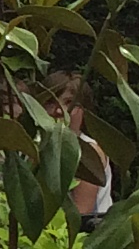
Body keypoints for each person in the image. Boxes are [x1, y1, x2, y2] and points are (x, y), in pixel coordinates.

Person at [40, 70, 111, 221]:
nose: (59, 110)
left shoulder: (88, 151)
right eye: (51, 102)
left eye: (69, 103)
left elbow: (81, 213)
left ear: (84, 109)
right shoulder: (35, 145)